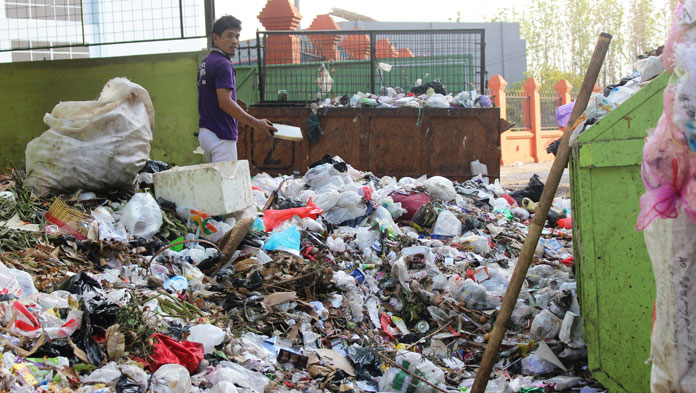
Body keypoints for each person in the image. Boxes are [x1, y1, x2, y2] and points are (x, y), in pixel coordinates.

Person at [197, 15, 276, 163]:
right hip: (221, 136)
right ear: (215, 37)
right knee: (225, 184)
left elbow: (212, 98)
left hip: (206, 133)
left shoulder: (206, 62)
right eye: (229, 36)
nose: (235, 41)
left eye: (237, 36)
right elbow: (225, 103)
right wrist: (256, 123)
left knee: (214, 183)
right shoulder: (223, 64)